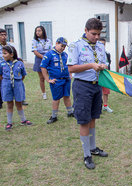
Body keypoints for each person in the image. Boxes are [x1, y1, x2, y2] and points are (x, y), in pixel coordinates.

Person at [67, 18, 108, 170]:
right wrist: (91, 65)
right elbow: (71, 68)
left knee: (92, 118)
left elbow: (105, 62)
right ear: (85, 31)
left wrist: (103, 66)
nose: (96, 37)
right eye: (93, 34)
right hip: (82, 86)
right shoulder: (75, 46)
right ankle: (86, 155)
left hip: (97, 86)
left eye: (98, 34)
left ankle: (93, 147)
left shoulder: (100, 47)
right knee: (84, 121)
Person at [40, 37, 74, 124]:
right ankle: (54, 116)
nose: (63, 48)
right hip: (56, 80)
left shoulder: (65, 55)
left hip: (66, 79)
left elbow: (69, 65)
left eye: (64, 47)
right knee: (56, 98)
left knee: (67, 96)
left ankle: (70, 112)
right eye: (61, 46)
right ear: (56, 43)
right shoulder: (49, 54)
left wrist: (70, 74)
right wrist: (47, 79)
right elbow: (43, 67)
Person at [0, 46, 32, 130]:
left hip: (18, 84)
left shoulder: (19, 63)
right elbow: (1, 75)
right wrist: (7, 81)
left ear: (11, 54)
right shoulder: (2, 64)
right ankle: (9, 122)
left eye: (5, 53)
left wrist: (17, 81)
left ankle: (23, 120)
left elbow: (23, 75)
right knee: (9, 104)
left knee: (19, 103)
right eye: (3, 53)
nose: (3, 55)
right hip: (6, 85)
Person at [32, 26, 52, 100]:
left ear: (43, 31)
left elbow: (50, 50)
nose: (38, 32)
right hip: (39, 59)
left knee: (51, 75)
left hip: (48, 59)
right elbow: (35, 51)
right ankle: (44, 93)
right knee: (41, 78)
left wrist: (48, 58)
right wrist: (43, 57)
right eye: (36, 31)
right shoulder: (34, 41)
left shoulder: (48, 40)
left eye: (39, 31)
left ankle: (54, 91)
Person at [99, 38, 113, 113]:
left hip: (106, 74)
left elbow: (109, 63)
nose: (102, 46)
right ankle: (98, 106)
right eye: (100, 44)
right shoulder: (95, 53)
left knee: (106, 91)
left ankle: (105, 106)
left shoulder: (107, 53)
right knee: (98, 91)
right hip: (98, 75)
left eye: (103, 44)